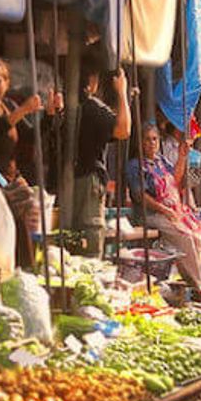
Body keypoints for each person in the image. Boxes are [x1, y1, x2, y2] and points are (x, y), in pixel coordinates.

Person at [127, 123, 201, 302]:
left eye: (154, 139)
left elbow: (176, 180)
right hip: (151, 215)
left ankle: (200, 283)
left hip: (171, 211)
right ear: (140, 143)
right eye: (147, 140)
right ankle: (198, 288)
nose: (151, 143)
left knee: (195, 234)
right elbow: (140, 195)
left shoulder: (161, 161)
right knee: (184, 237)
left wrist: (182, 156)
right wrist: (165, 210)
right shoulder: (135, 165)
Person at [72, 64, 131, 257]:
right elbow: (123, 130)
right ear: (92, 81)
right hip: (87, 181)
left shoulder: (64, 103)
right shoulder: (91, 107)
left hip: (68, 182)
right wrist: (122, 92)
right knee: (90, 241)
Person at [0, 58, 62, 180]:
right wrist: (23, 110)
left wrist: (49, 115)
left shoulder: (8, 106)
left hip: (7, 179)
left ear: (6, 84)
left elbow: (30, 136)